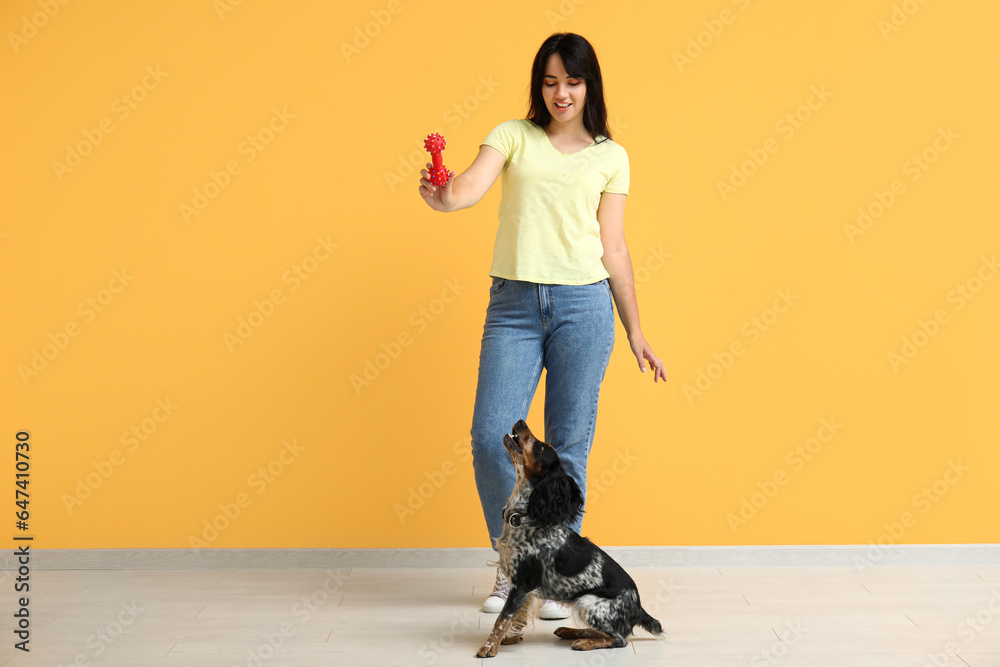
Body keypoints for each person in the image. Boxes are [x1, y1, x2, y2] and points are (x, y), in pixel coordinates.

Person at [418, 32, 666, 618]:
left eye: (573, 81)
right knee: (489, 437)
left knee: (570, 445)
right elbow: (469, 188)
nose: (562, 93)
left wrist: (635, 329)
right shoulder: (513, 136)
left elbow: (616, 248)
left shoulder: (612, 155)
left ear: (589, 85)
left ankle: (555, 574)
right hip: (514, 305)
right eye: (551, 81)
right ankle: (511, 566)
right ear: (540, 86)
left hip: (585, 307)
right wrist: (443, 196)